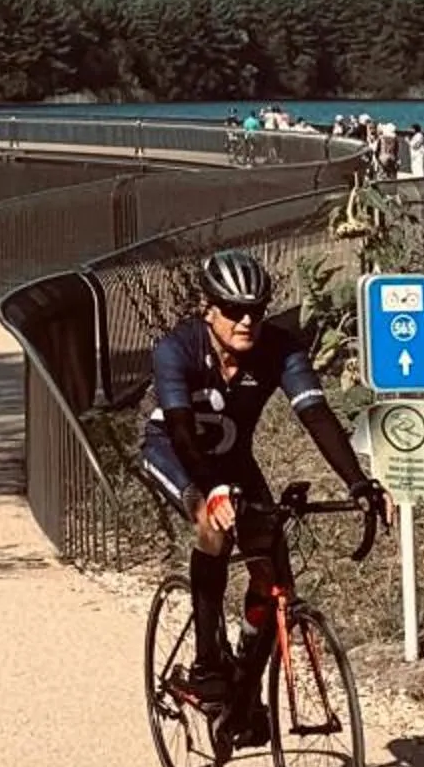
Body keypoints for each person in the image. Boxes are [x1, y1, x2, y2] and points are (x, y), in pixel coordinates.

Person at [136, 248, 390, 711]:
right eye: (233, 310)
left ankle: (244, 689)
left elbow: (315, 414)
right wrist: (211, 492)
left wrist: (360, 483)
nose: (247, 321)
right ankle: (207, 665)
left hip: (234, 460)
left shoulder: (280, 349)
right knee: (212, 526)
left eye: (256, 310)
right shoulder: (176, 349)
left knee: (274, 577)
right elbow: (180, 429)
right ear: (208, 309)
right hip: (173, 452)